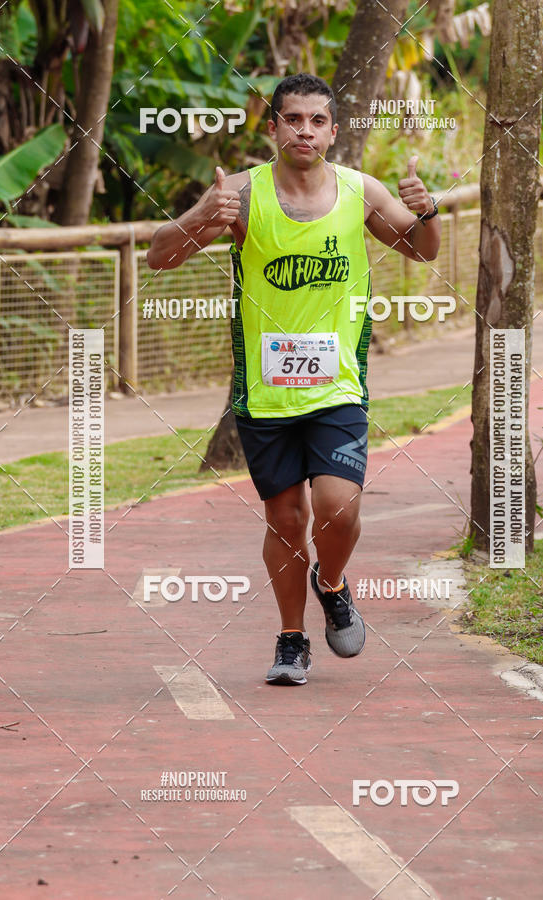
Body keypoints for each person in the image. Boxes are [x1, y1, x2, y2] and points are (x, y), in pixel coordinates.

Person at [147, 73, 441, 685]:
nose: (303, 130)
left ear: (333, 132)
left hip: (338, 386)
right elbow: (160, 255)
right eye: (292, 119)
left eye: (316, 121)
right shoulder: (243, 195)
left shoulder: (360, 192)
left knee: (338, 508)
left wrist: (427, 210)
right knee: (285, 520)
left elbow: (422, 250)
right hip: (265, 390)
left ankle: (331, 584)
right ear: (274, 127)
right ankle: (290, 639)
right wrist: (202, 213)